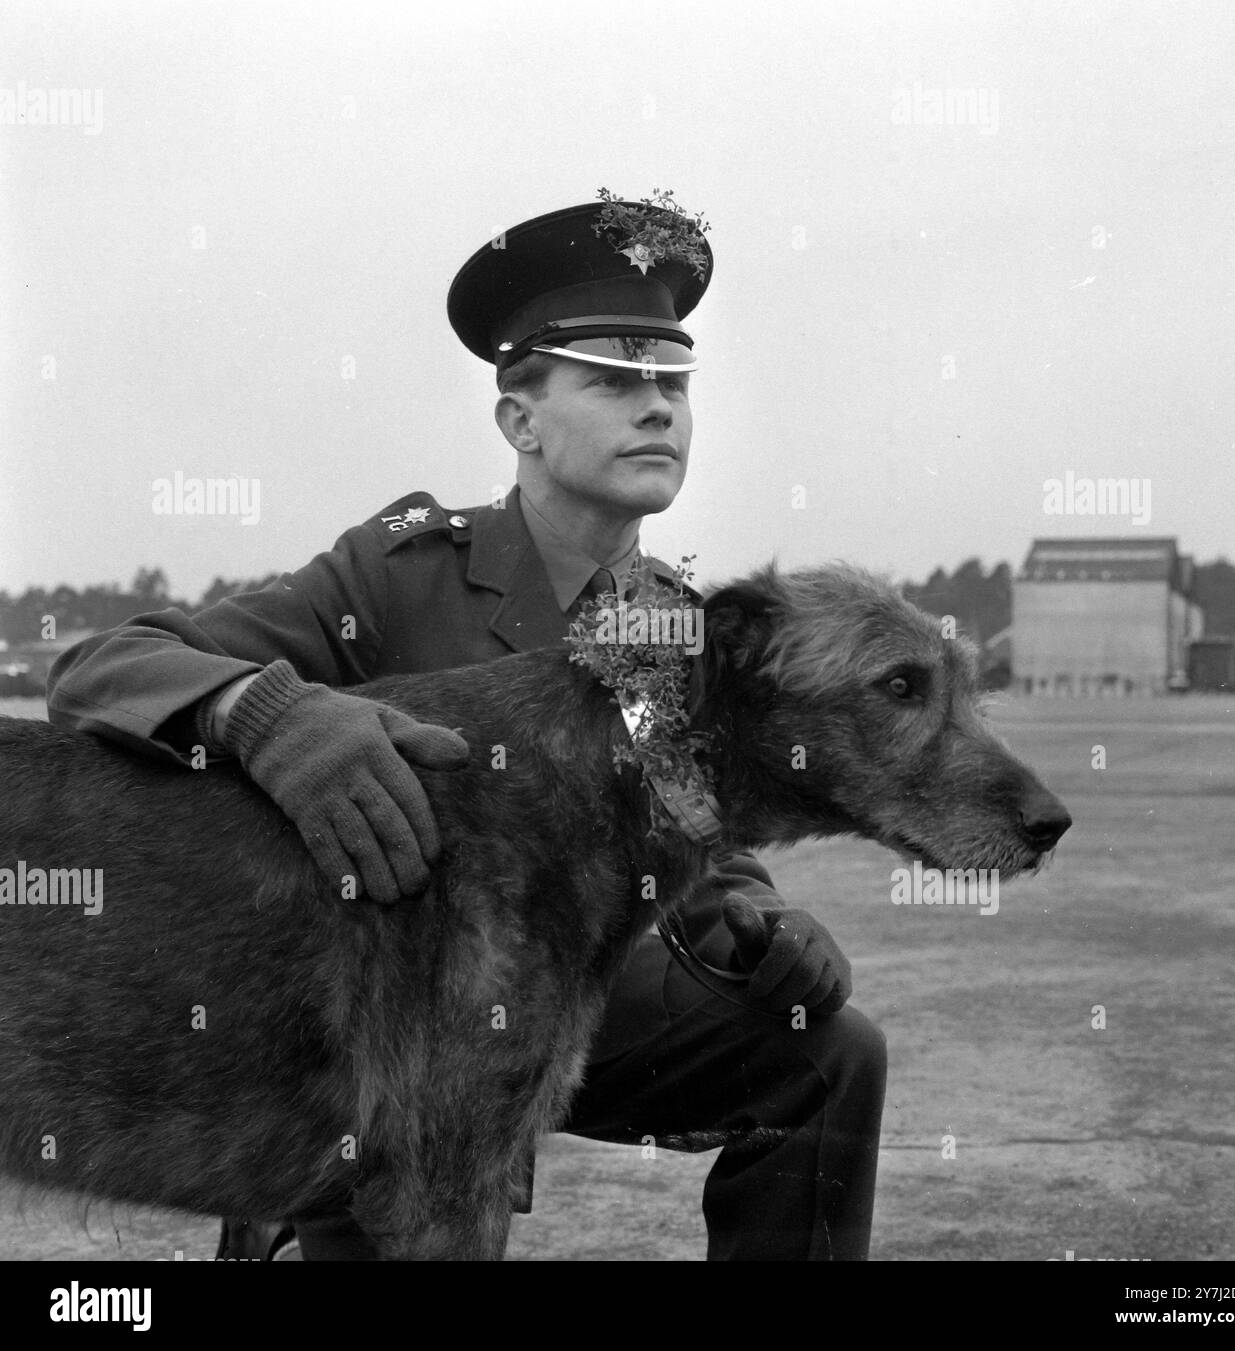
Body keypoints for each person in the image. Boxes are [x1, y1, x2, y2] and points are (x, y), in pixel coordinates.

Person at [47, 195, 887, 1261]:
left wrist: (762, 920)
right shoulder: (401, 570)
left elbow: (683, 824)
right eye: (615, 382)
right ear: (520, 419)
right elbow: (101, 669)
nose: (657, 410)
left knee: (828, 1050)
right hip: (380, 1030)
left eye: (672, 384)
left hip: (566, 996)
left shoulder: (674, 626)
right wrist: (267, 713)